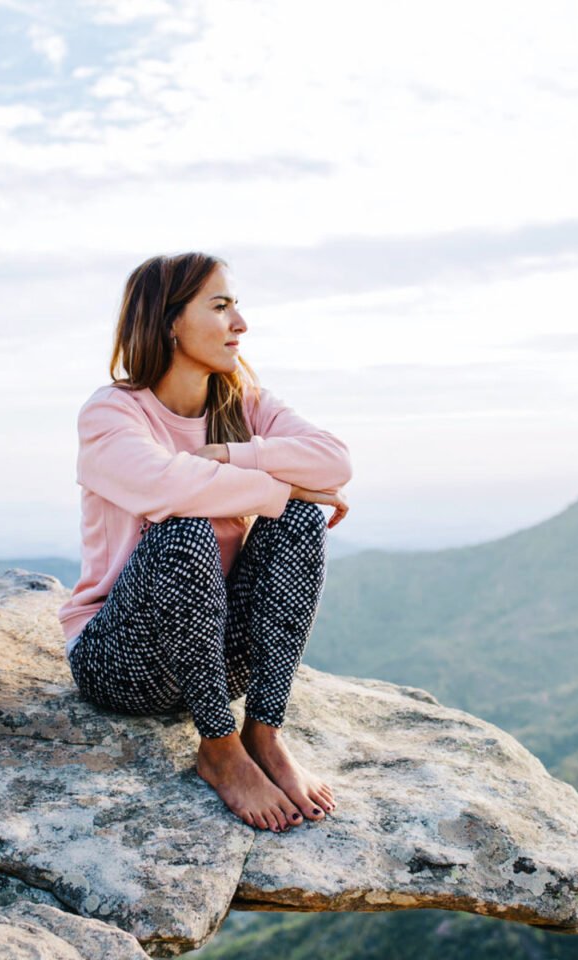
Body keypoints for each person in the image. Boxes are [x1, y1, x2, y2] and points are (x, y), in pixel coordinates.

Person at [59, 252, 352, 833]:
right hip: (123, 659)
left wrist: (233, 455)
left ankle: (263, 732)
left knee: (299, 520)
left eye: (235, 306)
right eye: (220, 307)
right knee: (186, 526)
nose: (240, 323)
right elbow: (170, 486)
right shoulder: (111, 414)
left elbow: (335, 462)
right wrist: (284, 487)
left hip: (219, 659)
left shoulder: (244, 403)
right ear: (169, 321)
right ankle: (218, 747)